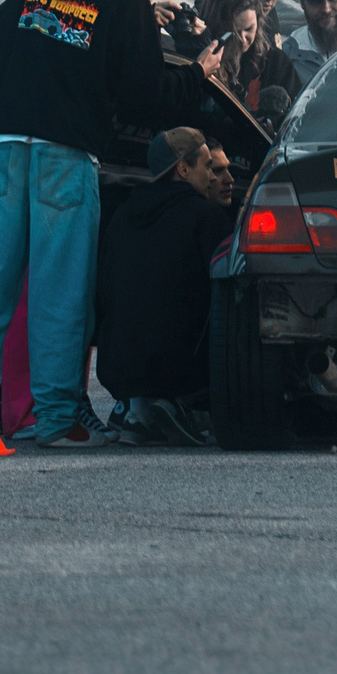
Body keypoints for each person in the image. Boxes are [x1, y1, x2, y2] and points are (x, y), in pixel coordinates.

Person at [0, 0, 222, 447]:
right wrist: (198, 75)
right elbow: (146, 95)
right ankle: (57, 420)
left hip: (7, 152)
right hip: (65, 158)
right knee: (60, 294)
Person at [97, 127, 234, 447]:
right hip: (178, 367)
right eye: (207, 167)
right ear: (183, 169)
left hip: (117, 368)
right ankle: (180, 406)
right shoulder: (206, 217)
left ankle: (140, 410)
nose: (215, 178)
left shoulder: (123, 215)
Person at [197, 0, 294, 116]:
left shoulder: (276, 63)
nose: (243, 39)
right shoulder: (199, 61)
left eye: (249, 29)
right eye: (234, 32)